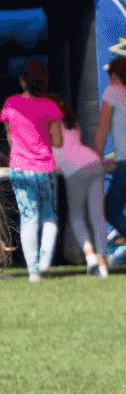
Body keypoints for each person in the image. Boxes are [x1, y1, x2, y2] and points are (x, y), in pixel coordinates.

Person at [1, 61, 63, 282]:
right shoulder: (50, 106)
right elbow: (58, 141)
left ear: (22, 81)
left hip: (20, 167)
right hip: (44, 168)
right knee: (49, 217)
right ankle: (45, 262)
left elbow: (10, 137)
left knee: (28, 218)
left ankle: (33, 272)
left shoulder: (11, 104)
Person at [52, 100, 111, 277]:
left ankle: (90, 257)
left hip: (74, 169)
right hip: (92, 161)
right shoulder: (72, 123)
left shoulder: (50, 124)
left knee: (77, 216)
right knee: (97, 216)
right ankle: (102, 263)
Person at [95, 56, 126, 254]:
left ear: (113, 76)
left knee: (111, 210)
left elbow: (103, 129)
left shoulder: (113, 91)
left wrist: (96, 158)